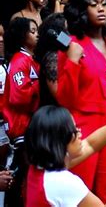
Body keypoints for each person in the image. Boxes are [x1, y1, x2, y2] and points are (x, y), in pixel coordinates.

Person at [58, 0, 106, 202]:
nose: (101, 9)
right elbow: (64, 97)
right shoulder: (72, 44)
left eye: (103, 4)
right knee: (82, 194)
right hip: (84, 127)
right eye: (93, 5)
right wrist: (71, 60)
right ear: (82, 10)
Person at [2, 17, 40, 206]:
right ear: (23, 36)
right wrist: (38, 86)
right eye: (33, 31)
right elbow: (19, 97)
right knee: (22, 177)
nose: (37, 34)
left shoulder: (32, 60)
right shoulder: (19, 60)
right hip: (21, 127)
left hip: (30, 125)